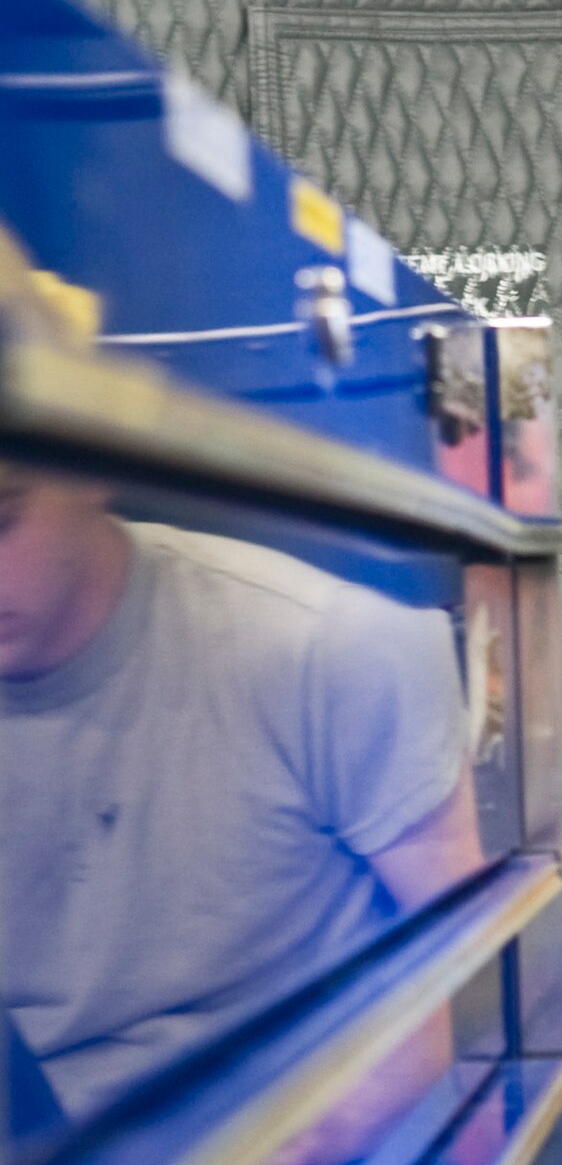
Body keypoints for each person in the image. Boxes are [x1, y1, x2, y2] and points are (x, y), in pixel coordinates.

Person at [0, 466, 482, 1131]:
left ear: (88, 475)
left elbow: (480, 957)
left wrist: (345, 1122)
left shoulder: (323, 643)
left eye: (2, 519)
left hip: (284, 1157)